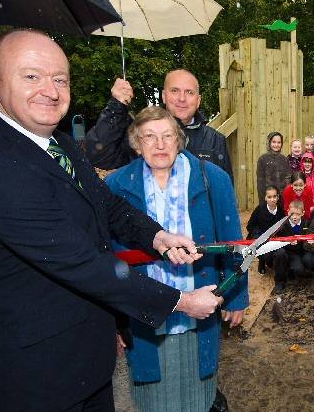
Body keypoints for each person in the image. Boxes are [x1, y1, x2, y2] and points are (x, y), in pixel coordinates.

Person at [0, 29, 224, 411]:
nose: (50, 91)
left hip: (88, 362)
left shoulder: (60, 143)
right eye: (31, 76)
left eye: (60, 79)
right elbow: (83, 265)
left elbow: (108, 205)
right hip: (41, 377)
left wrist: (158, 236)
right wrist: (180, 301)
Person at [105, 106, 247, 412]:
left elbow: (233, 241)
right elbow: (108, 259)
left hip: (201, 299)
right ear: (136, 142)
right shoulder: (116, 186)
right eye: (150, 137)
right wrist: (112, 321)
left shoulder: (212, 178)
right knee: (153, 396)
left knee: (199, 389)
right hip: (144, 310)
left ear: (178, 140)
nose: (160, 144)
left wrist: (237, 297)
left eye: (167, 136)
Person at [84, 71, 233, 183]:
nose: (182, 98)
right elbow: (99, 156)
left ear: (198, 100)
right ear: (163, 96)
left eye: (189, 92)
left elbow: (225, 195)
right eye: (175, 91)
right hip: (149, 223)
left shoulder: (215, 140)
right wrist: (117, 106)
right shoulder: (141, 132)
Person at [269, 200, 309, 293]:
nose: (294, 217)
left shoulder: (306, 223)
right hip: (284, 251)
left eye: (298, 214)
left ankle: (290, 270)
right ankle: (279, 282)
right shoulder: (282, 224)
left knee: (299, 269)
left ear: (303, 213)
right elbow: (273, 238)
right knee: (279, 254)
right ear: (288, 212)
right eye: (292, 214)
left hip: (297, 253)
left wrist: (301, 240)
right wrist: (286, 241)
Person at [247, 185, 285, 275]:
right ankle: (262, 261)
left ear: (278, 197)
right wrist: (261, 236)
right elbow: (250, 226)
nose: (272, 199)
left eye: (274, 196)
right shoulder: (259, 209)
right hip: (261, 238)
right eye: (269, 197)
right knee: (264, 251)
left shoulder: (281, 211)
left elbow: (283, 227)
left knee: (279, 254)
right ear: (265, 198)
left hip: (275, 238)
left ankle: (272, 262)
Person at [256, 132, 291, 204]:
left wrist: (285, 195)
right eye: (274, 142)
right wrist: (263, 199)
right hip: (268, 197)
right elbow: (260, 182)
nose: (276, 145)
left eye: (279, 142)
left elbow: (288, 178)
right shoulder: (262, 159)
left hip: (282, 198)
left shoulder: (284, 159)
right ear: (269, 143)